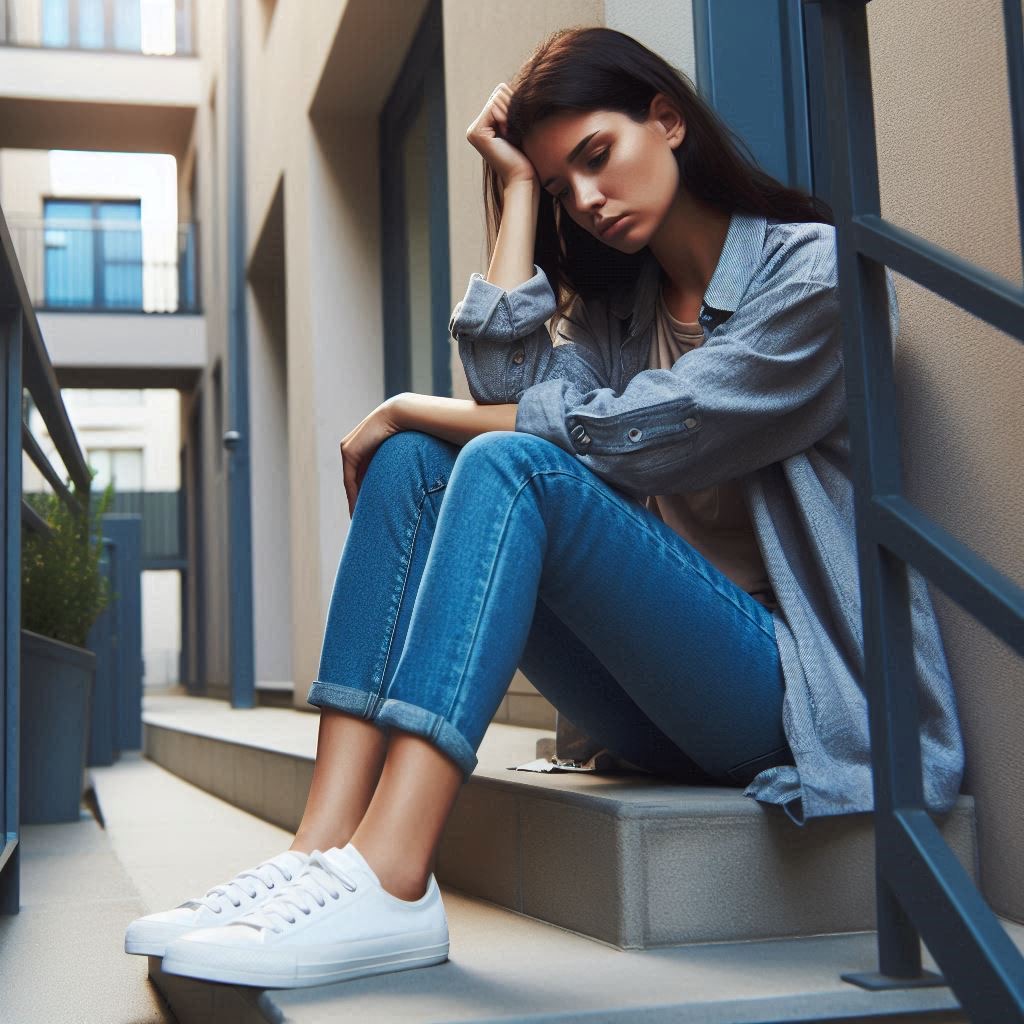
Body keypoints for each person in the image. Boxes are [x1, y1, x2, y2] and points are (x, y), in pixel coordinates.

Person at [124, 25, 963, 991]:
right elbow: (508, 385)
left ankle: (394, 881)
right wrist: (516, 191)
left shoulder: (813, 279)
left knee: (488, 455)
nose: (590, 202)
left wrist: (407, 401)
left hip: (791, 698)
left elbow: (623, 430)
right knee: (411, 462)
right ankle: (318, 850)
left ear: (669, 118)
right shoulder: (620, 312)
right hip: (656, 705)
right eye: (567, 186)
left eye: (597, 159)